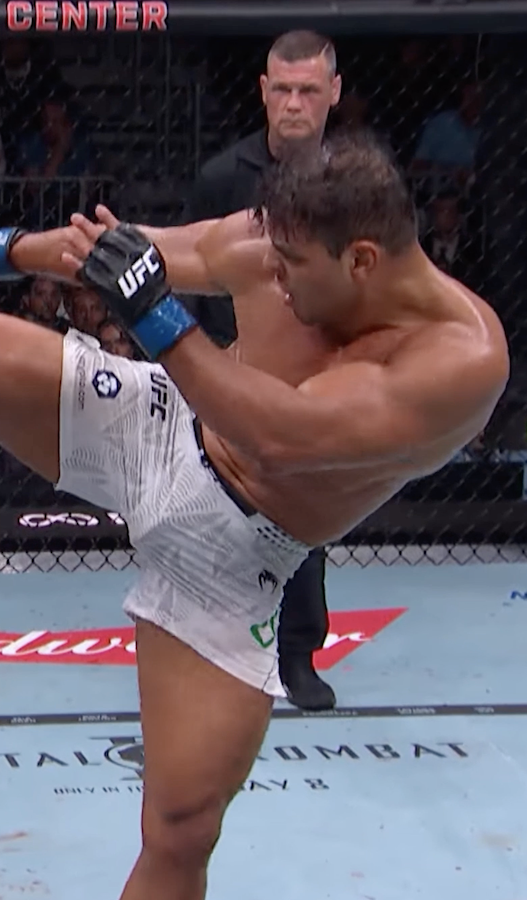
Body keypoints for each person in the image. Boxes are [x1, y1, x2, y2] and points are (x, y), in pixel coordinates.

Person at [0, 130, 508, 899]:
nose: (275, 276)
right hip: (162, 423)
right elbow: (121, 251)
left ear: (361, 260)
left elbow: (279, 438)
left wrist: (158, 318)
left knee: (180, 832)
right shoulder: (282, 239)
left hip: (235, 550)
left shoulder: (455, 361)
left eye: (291, 267)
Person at [185, 29, 343, 710]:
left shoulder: (355, 183)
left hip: (318, 371)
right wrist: (213, 363)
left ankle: (296, 654)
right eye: (282, 90)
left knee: (301, 511)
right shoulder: (223, 178)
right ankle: (216, 648)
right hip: (233, 367)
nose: (293, 104)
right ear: (262, 92)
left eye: (307, 90)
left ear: (333, 92)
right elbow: (191, 271)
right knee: (217, 511)